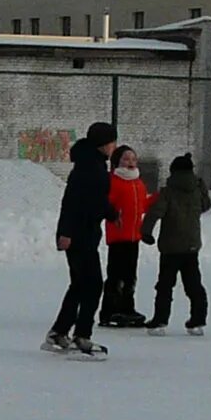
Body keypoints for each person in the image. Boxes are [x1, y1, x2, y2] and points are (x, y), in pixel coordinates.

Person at [46, 121, 119, 358]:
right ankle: (81, 337)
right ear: (103, 144)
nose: (114, 147)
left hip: (83, 232)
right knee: (92, 284)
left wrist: (110, 213)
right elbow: (73, 202)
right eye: (112, 142)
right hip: (80, 235)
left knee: (79, 284)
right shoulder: (91, 168)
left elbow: (95, 200)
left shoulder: (92, 164)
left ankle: (58, 333)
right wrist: (65, 232)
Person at [144, 152, 211, 333]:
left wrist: (146, 233)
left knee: (165, 285)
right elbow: (206, 205)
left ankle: (160, 320)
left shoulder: (167, 192)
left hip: (170, 247)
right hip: (191, 246)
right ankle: (198, 320)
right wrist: (202, 187)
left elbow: (154, 213)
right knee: (194, 284)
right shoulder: (197, 189)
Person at [102, 144, 153, 327]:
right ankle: (109, 310)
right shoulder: (113, 181)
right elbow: (106, 205)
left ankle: (127, 308)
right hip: (118, 236)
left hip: (134, 237)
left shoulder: (139, 183)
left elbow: (143, 207)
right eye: (126, 159)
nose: (130, 162)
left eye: (133, 159)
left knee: (130, 275)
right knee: (116, 275)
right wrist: (116, 216)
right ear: (117, 162)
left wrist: (157, 198)